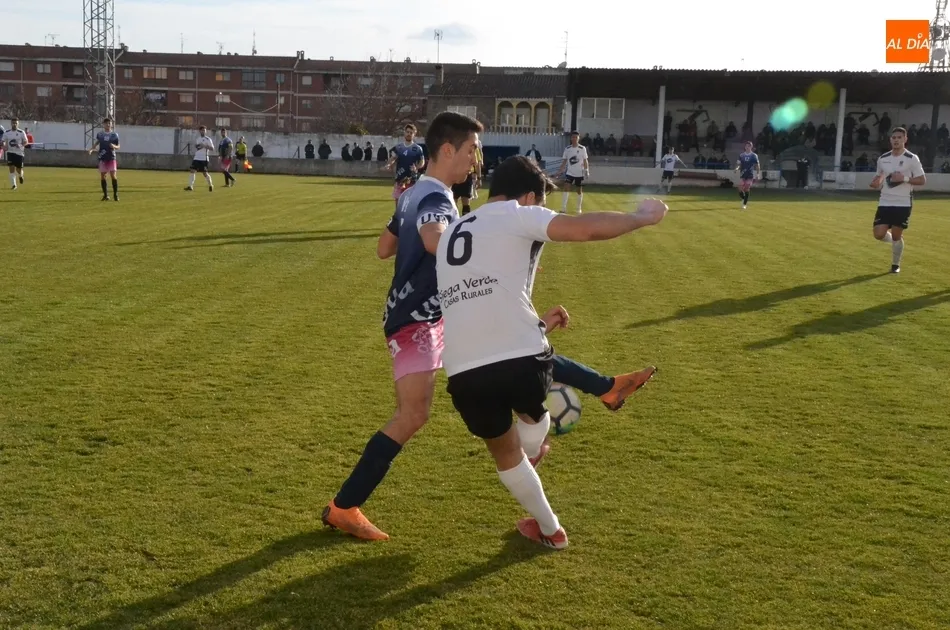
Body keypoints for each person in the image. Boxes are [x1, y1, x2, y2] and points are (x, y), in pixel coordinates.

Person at [321, 113, 656, 542]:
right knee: (414, 414)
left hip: (412, 313)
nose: (475, 160)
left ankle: (604, 387)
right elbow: (434, 239)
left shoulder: (411, 192)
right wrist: (479, 247)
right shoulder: (437, 196)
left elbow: (384, 248)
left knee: (507, 348)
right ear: (448, 150)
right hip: (421, 319)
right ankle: (345, 505)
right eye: (471, 150)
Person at [436, 156, 668, 548]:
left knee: (505, 455)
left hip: (462, 369)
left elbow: (479, 302)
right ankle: (536, 449)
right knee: (534, 414)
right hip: (523, 358)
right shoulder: (517, 213)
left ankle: (551, 529)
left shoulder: (451, 231)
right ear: (529, 197)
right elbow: (584, 229)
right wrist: (639, 218)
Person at [869, 127, 926, 274]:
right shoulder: (883, 158)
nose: (896, 140)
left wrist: (904, 178)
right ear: (890, 140)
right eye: (893, 137)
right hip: (885, 201)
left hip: (903, 202)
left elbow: (922, 180)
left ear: (905, 139)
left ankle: (895, 265)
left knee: (896, 234)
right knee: (878, 234)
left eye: (899, 137)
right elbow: (880, 176)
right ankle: (897, 242)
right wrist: (876, 182)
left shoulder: (912, 158)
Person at [385, 124, 426, 205]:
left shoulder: (418, 149)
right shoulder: (398, 147)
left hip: (412, 180)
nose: (409, 134)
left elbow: (422, 162)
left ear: (414, 134)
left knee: (409, 205)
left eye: (411, 133)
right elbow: (393, 158)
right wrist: (388, 164)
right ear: (404, 132)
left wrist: (416, 167)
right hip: (399, 180)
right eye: (407, 132)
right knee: (398, 204)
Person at [555, 131, 589, 213]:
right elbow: (564, 161)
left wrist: (586, 170)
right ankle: (563, 208)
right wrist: (560, 171)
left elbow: (585, 160)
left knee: (579, 190)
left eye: (576, 137)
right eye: (573, 137)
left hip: (579, 173)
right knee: (566, 188)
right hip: (569, 173)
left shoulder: (582, 148)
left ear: (578, 138)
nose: (574, 139)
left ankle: (578, 209)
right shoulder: (567, 149)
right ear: (571, 138)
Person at [87, 117, 120, 201]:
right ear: (103, 125)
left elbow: (118, 146)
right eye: (106, 123)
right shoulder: (100, 135)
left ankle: (115, 195)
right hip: (103, 157)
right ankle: (105, 195)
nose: (108, 125)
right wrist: (91, 149)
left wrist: (114, 146)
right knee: (103, 176)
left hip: (111, 157)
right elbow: (96, 143)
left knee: (113, 175)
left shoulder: (114, 135)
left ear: (111, 124)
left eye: (109, 123)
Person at [451, 137, 482, 215]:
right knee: (453, 201)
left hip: (467, 175)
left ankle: (465, 221)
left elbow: (477, 164)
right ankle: (454, 220)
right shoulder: (454, 144)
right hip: (455, 175)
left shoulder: (474, 147)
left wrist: (479, 178)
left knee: (466, 200)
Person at [184, 125, 215, 192]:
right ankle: (190, 186)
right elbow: (198, 148)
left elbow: (212, 148)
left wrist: (204, 146)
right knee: (192, 170)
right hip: (197, 157)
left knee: (205, 173)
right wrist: (197, 146)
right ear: (200, 131)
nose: (203, 131)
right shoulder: (198, 139)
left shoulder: (208, 139)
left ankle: (210, 185)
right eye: (202, 130)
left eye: (204, 130)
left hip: (204, 159)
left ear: (206, 131)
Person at [2, 118, 29, 190]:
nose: (14, 124)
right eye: (13, 123)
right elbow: (2, 141)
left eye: (16, 123)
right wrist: (4, 146)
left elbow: (26, 142)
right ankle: (14, 185)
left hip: (19, 153)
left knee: (18, 169)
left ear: (18, 124)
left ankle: (20, 176)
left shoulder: (21, 132)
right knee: (11, 168)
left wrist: (20, 145)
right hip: (10, 152)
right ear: (11, 124)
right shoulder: (7, 132)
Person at [734, 141, 760, 210]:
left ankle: (744, 204)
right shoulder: (741, 155)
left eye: (749, 146)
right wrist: (736, 168)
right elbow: (738, 164)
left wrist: (758, 174)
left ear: (751, 147)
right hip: (743, 174)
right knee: (740, 188)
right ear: (745, 147)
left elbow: (757, 165)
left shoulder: (754, 155)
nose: (747, 147)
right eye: (746, 146)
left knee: (746, 188)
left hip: (749, 175)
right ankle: (744, 199)